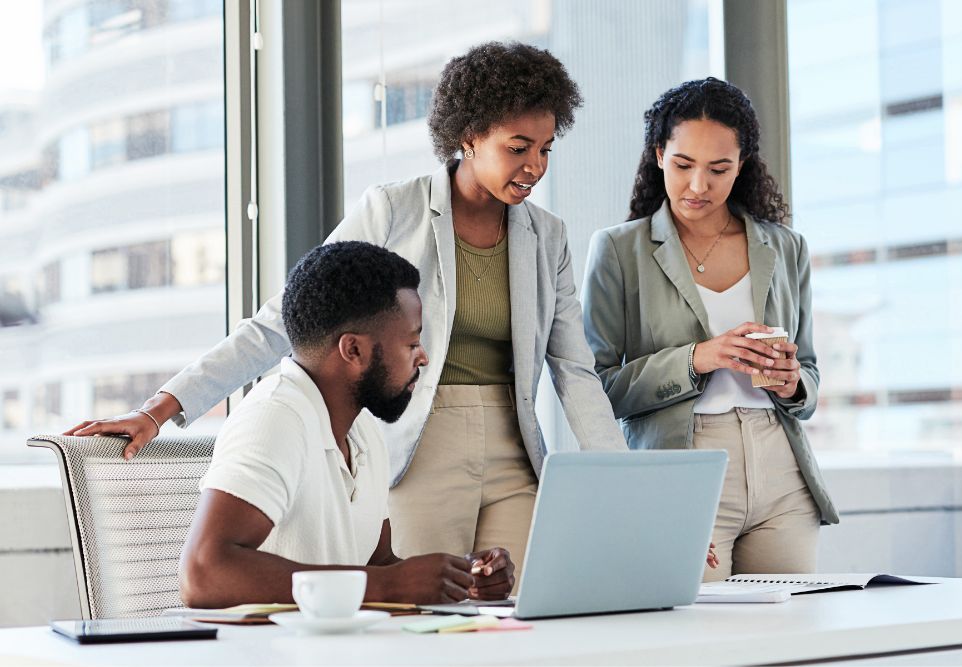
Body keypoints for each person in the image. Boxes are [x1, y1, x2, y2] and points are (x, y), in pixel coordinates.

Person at [66, 42, 627, 575]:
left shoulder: (547, 236)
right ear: (471, 136)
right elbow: (289, 317)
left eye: (546, 149)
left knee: (516, 619)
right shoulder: (393, 209)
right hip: (417, 445)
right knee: (425, 618)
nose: (535, 166)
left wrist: (623, 485)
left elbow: (574, 371)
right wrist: (162, 408)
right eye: (518, 147)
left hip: (515, 452)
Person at [581, 78, 838, 582]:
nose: (699, 186)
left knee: (786, 641)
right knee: (694, 636)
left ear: (741, 165)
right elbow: (596, 389)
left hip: (782, 469)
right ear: (658, 155)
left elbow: (808, 376)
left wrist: (792, 382)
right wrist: (701, 357)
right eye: (683, 165)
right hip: (683, 467)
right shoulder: (617, 251)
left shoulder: (786, 247)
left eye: (719, 169)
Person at [180, 241, 513, 608]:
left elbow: (379, 566)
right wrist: (387, 585)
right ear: (353, 350)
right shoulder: (275, 416)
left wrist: (461, 579)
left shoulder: (363, 430)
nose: (423, 356)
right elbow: (202, 573)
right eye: (412, 342)